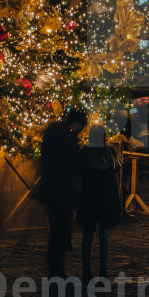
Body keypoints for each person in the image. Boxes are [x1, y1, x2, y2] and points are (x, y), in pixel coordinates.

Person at [39, 108, 88, 278]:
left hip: (56, 189)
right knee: (59, 230)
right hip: (61, 190)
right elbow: (63, 164)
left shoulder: (56, 135)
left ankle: (56, 267)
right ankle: (56, 270)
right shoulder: (63, 138)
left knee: (58, 229)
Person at [77, 125, 121, 280]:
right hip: (106, 198)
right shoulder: (109, 153)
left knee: (87, 236)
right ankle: (103, 270)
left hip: (88, 197)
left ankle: (86, 270)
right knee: (104, 236)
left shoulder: (84, 153)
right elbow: (117, 166)